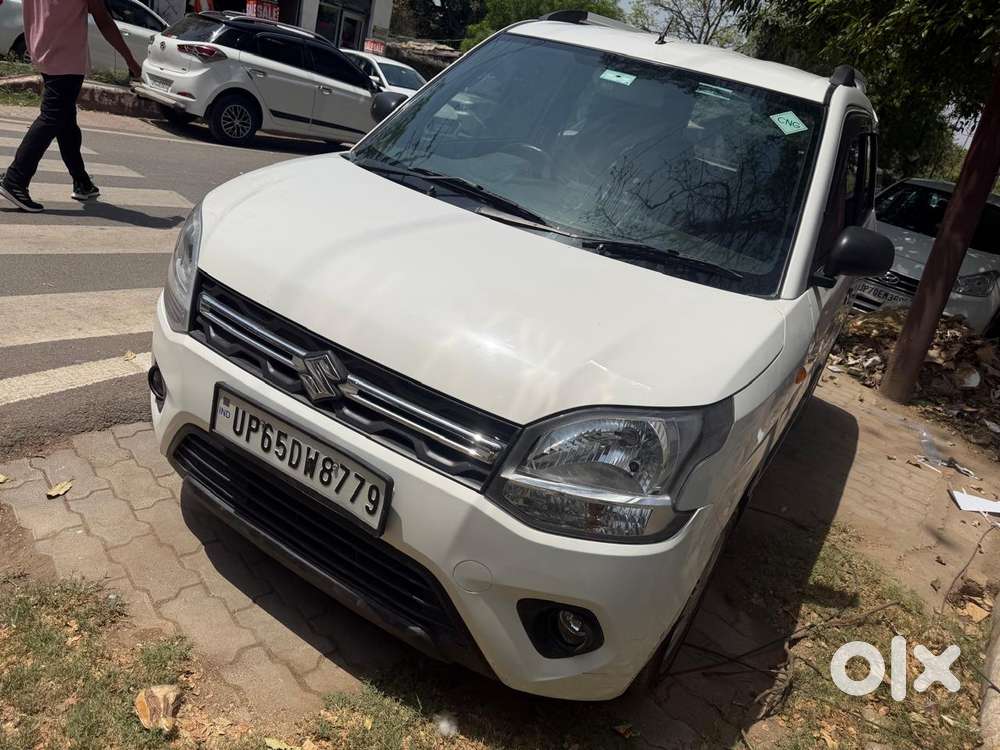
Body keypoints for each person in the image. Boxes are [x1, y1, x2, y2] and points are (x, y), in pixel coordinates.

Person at [0, 0, 142, 213]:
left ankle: (81, 181)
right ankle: (15, 179)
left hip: (42, 51)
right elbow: (104, 21)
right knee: (52, 118)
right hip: (66, 60)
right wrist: (131, 61)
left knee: (66, 122)